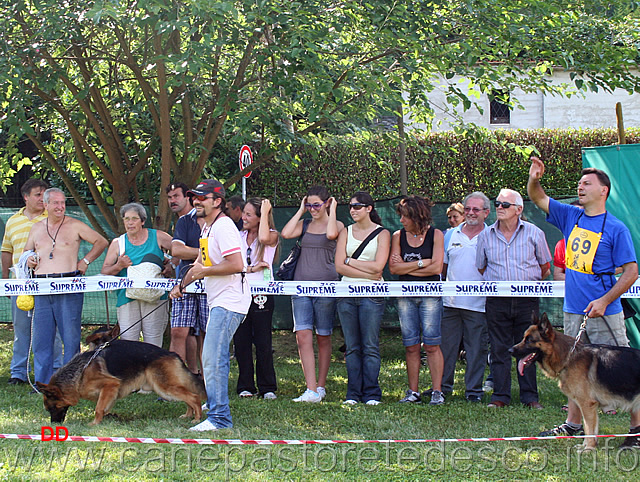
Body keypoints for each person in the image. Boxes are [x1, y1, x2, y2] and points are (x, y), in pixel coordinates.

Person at [528, 156, 640, 447]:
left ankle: (636, 432)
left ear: (603, 191)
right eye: (579, 183)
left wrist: (604, 300)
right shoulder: (570, 216)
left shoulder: (616, 228)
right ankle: (573, 425)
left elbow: (631, 271)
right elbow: (536, 196)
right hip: (573, 310)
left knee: (628, 370)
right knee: (571, 368)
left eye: (586, 183)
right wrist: (535, 177)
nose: (580, 186)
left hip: (606, 311)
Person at [170, 179, 250, 431]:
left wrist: (204, 272)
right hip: (219, 300)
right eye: (194, 197)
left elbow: (237, 264)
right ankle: (216, 413)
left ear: (218, 202)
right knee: (211, 357)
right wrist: (181, 284)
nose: (196, 201)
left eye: (202, 198)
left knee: (214, 359)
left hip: (230, 301)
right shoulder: (207, 228)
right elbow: (199, 264)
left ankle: (220, 418)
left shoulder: (224, 226)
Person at [476, 188, 551, 409]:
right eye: (497, 203)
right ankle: (500, 396)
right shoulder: (485, 235)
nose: (499, 207)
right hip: (497, 300)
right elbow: (481, 267)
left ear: (519, 209)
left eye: (505, 205)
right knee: (498, 348)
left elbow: (545, 267)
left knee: (527, 348)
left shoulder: (534, 233)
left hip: (526, 300)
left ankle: (529, 397)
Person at [24, 188, 108, 384]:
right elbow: (26, 252)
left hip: (69, 284)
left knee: (70, 338)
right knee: (41, 339)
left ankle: (71, 381)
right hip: (42, 287)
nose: (60, 207)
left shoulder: (74, 225)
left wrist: (85, 262)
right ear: (45, 205)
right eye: (55, 203)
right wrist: (29, 260)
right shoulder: (36, 228)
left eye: (62, 203)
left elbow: (101, 241)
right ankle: (43, 383)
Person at [281, 185, 344, 403]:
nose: (312, 209)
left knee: (323, 335)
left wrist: (331, 210)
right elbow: (286, 233)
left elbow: (331, 234)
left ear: (327, 203)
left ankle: (321, 384)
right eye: (309, 205)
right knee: (302, 335)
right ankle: (310, 389)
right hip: (300, 286)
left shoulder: (338, 224)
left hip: (326, 286)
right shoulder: (305, 223)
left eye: (316, 205)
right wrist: (300, 210)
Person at [2, 179, 62, 385]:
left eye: (44, 195)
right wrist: (5, 280)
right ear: (25, 197)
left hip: (47, 283)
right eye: (38, 194)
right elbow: (7, 252)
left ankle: (55, 369)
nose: (42, 199)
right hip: (20, 284)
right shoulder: (12, 221)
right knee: (21, 329)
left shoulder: (54, 219)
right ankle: (19, 373)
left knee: (50, 330)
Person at [389, 195, 446, 405]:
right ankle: (413, 392)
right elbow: (394, 269)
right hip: (405, 295)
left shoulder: (436, 235)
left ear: (416, 216)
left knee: (432, 344)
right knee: (411, 345)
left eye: (405, 217)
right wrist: (424, 263)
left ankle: (437, 391)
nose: (401, 221)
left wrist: (409, 265)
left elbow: (437, 268)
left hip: (431, 294)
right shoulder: (397, 236)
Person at [335, 191, 390, 405]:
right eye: (351, 206)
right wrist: (353, 265)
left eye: (358, 206)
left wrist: (350, 262)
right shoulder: (345, 232)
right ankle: (353, 394)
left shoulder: (382, 233)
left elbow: (379, 268)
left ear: (369, 208)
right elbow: (339, 265)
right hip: (346, 294)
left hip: (372, 296)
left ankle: (372, 393)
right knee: (352, 346)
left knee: (370, 345)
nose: (353, 210)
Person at [100, 203, 173, 347]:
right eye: (126, 219)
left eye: (134, 218)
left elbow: (180, 251)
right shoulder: (118, 243)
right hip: (127, 298)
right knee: (128, 344)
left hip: (155, 298)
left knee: (153, 345)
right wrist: (118, 266)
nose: (130, 222)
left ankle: (152, 370)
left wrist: (172, 264)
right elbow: (105, 272)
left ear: (143, 221)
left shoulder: (158, 237)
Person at [441, 192, 490, 402]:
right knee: (446, 349)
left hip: (479, 305)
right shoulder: (450, 235)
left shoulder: (492, 235)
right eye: (468, 208)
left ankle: (474, 392)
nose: (470, 213)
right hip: (450, 304)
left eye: (476, 210)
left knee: (476, 351)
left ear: (486, 213)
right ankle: (442, 388)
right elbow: (443, 268)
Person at [233, 198, 280, 399]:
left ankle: (267, 386)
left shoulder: (271, 235)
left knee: (263, 341)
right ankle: (245, 385)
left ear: (261, 218)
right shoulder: (238, 236)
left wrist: (267, 211)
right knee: (241, 340)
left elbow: (263, 238)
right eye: (243, 213)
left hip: (262, 293)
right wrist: (250, 268)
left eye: (249, 214)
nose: (243, 217)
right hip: (239, 292)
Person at [166, 182, 206, 374]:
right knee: (178, 332)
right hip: (185, 283)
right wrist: (205, 254)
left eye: (202, 197)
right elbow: (177, 250)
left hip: (212, 284)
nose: (198, 201)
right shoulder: (183, 221)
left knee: (207, 335)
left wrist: (192, 254)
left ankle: (208, 385)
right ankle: (176, 382)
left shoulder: (221, 221)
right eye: (169, 197)